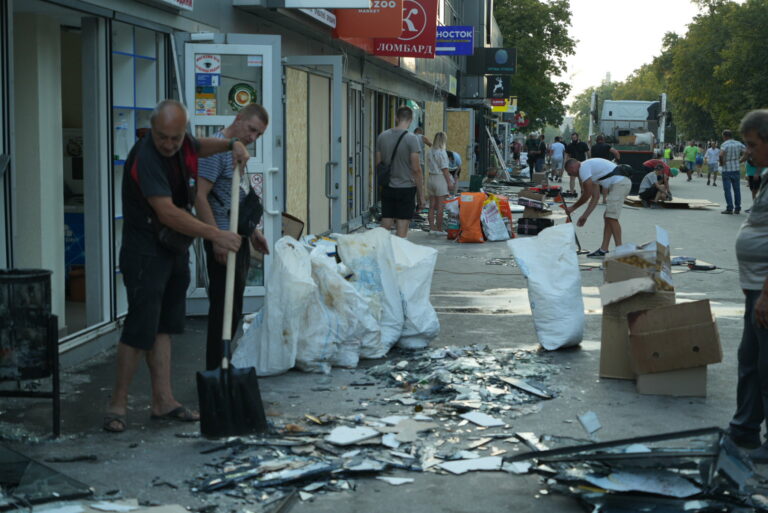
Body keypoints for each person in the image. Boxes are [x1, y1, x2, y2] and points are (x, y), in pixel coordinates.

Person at [103, 100, 246, 433]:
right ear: (152, 130)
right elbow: (167, 212)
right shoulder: (146, 158)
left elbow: (201, 145)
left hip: (173, 249)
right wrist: (215, 235)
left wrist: (231, 143)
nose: (168, 144)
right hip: (145, 253)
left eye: (175, 137)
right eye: (162, 136)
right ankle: (117, 403)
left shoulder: (185, 144)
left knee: (166, 325)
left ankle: (163, 400)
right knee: (140, 328)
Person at [196, 104, 270, 372]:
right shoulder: (216, 150)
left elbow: (234, 196)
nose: (253, 137)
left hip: (237, 236)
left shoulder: (238, 153)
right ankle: (216, 369)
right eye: (251, 130)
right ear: (238, 120)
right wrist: (216, 237)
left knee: (235, 305)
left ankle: (225, 363)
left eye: (259, 135)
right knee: (222, 309)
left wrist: (253, 232)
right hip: (221, 238)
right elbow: (200, 196)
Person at [727, 109, 768, 461]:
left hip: (766, 291)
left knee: (766, 366)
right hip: (756, 287)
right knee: (750, 359)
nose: (747, 153)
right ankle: (744, 428)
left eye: (753, 145)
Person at [564, 157, 632, 258]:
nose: (571, 175)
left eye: (570, 173)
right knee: (608, 217)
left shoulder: (583, 168)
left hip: (620, 184)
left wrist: (572, 208)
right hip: (620, 183)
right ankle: (603, 250)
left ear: (573, 167)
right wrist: (585, 216)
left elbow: (586, 194)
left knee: (611, 217)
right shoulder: (590, 171)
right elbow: (595, 197)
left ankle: (620, 251)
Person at [375, 106, 425, 238]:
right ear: (411, 119)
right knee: (402, 228)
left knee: (386, 222)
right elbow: (416, 169)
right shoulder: (411, 138)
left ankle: (381, 252)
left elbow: (378, 164)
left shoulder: (382, 136)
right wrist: (421, 196)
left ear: (396, 118)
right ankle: (397, 256)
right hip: (406, 188)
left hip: (387, 187)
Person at [426, 132, 454, 235]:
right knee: (440, 207)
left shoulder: (429, 152)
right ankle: (439, 229)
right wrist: (449, 182)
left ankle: (432, 228)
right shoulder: (442, 152)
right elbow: (445, 170)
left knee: (432, 206)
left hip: (431, 178)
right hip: (440, 178)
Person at [720, 129, 747, 215]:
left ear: (725, 136)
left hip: (726, 169)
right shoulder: (738, 143)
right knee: (737, 190)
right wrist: (741, 160)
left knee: (727, 190)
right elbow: (747, 152)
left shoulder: (724, 144)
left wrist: (721, 163)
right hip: (736, 169)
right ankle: (737, 208)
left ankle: (729, 208)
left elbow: (721, 154)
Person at [590, 135, 621, 204]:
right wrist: (617, 160)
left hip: (595, 166)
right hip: (604, 166)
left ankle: (595, 199)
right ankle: (604, 199)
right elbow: (616, 152)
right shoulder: (607, 146)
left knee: (596, 183)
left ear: (596, 140)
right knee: (605, 183)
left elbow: (590, 156)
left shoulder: (593, 147)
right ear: (603, 140)